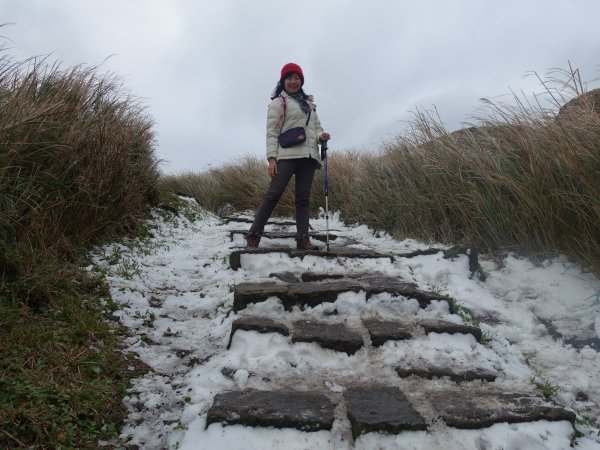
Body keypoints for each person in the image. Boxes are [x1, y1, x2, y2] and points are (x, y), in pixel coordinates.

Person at [246, 62, 331, 250]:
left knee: (303, 199)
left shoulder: (309, 104)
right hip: (287, 155)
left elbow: (316, 128)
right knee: (273, 194)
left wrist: (321, 136)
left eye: (297, 78)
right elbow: (272, 133)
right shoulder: (278, 103)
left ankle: (303, 239)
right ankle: (253, 235)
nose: (293, 82)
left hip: (309, 157)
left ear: (302, 80)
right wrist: (271, 159)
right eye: (290, 78)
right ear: (283, 80)